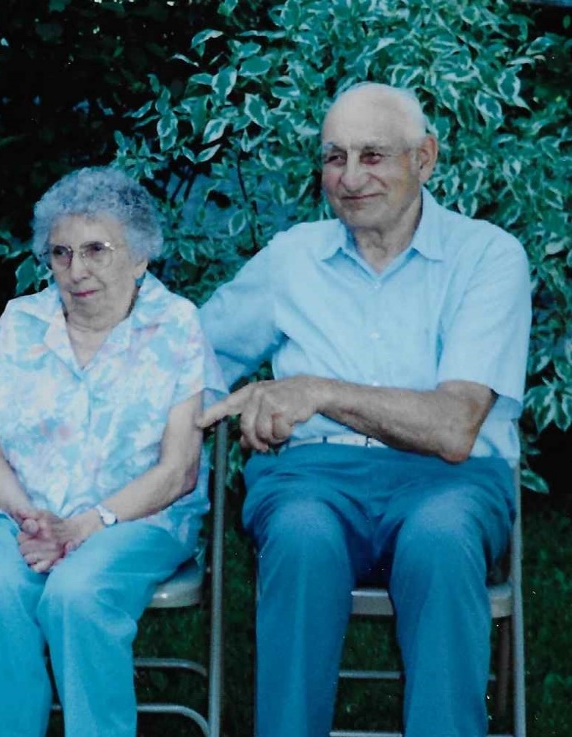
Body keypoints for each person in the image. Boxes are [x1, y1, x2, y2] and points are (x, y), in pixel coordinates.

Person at [197, 82, 532, 737]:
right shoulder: (293, 258)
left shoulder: (488, 258)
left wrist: (317, 391)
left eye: (372, 155)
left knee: (440, 540)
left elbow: (454, 426)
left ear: (424, 159)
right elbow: (189, 359)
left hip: (450, 481)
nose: (349, 178)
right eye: (333, 157)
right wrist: (44, 327)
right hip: (310, 477)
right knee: (299, 537)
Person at [0, 165, 226, 737]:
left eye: (96, 250)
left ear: (140, 257)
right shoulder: (19, 324)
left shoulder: (176, 326)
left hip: (136, 519)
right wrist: (33, 518)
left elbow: (178, 470)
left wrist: (85, 525)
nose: (76, 271)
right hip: (27, 518)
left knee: (77, 595)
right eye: (60, 253)